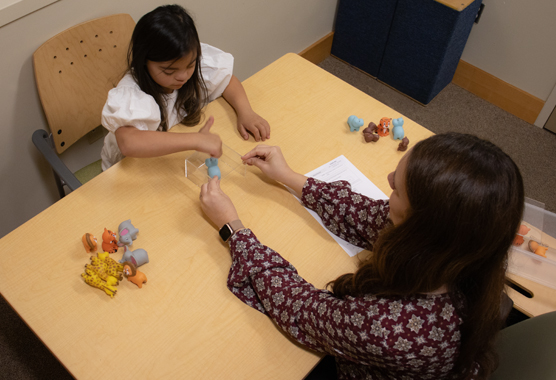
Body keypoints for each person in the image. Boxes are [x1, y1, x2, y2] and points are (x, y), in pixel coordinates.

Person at [199, 133, 524, 380]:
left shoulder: (386, 329)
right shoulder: (467, 247)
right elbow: (371, 215)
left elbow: (298, 307)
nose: (389, 182)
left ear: (420, 230)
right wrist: (289, 177)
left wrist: (233, 228)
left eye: (397, 190)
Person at [100, 4, 270, 171]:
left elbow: (227, 81)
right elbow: (128, 143)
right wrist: (196, 140)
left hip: (165, 160)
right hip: (126, 168)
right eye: (169, 71)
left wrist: (245, 112)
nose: (183, 76)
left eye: (190, 65)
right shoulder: (132, 93)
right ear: (144, 61)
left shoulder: (187, 59)